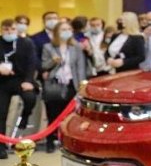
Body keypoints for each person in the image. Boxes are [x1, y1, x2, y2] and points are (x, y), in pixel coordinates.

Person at [40, 20, 87, 153]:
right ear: (56, 32)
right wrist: (53, 61)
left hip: (72, 83)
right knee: (53, 114)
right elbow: (44, 66)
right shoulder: (48, 47)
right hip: (54, 83)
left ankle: (68, 141)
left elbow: (80, 67)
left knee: (71, 115)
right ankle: (50, 140)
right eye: (63, 30)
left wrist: (82, 85)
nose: (66, 32)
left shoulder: (76, 47)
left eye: (68, 29)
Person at [0, 19, 37, 158]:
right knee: (1, 113)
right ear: (2, 30)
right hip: (2, 82)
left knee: (30, 98)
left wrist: (28, 81)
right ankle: (1, 146)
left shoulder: (26, 43)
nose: (9, 32)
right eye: (6, 29)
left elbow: (32, 63)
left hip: (21, 80)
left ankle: (24, 118)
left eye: (12, 29)